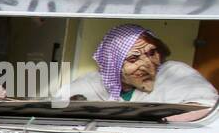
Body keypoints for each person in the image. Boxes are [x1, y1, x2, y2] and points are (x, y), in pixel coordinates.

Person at [61, 23, 218, 108]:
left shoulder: (175, 73)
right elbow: (56, 110)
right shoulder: (91, 84)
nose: (148, 65)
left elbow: (207, 108)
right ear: (113, 66)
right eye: (134, 59)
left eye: (152, 53)